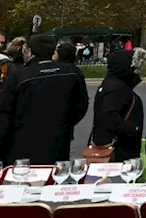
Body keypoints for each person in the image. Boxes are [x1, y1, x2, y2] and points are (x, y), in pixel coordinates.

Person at [0, 33, 90, 164]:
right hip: (59, 139)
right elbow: (81, 104)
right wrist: (66, 122)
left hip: (22, 142)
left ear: (30, 51)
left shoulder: (19, 75)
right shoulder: (72, 72)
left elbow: (5, 111)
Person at [90, 47, 146, 162]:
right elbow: (109, 116)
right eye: (136, 67)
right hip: (119, 150)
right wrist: (133, 130)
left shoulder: (110, 84)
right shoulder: (117, 88)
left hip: (110, 146)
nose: (138, 70)